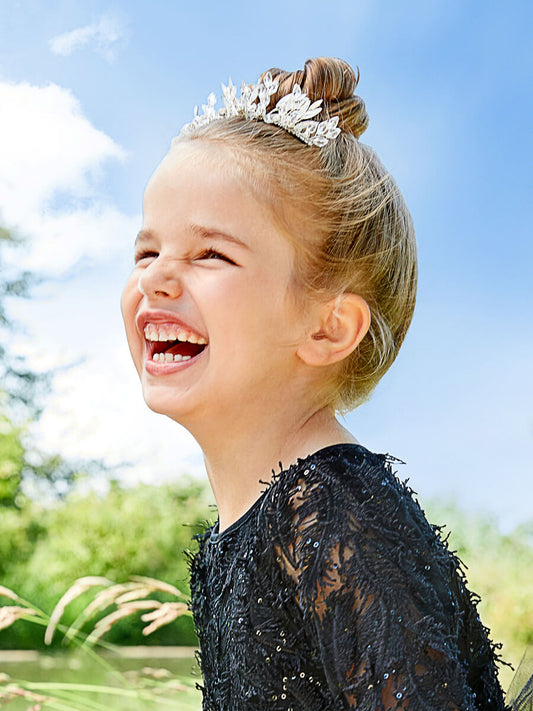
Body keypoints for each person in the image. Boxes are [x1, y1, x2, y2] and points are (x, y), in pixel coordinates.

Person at [121, 57, 529, 710]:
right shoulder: (249, 528)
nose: (156, 278)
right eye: (146, 251)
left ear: (327, 328)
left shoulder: (331, 512)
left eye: (209, 254)